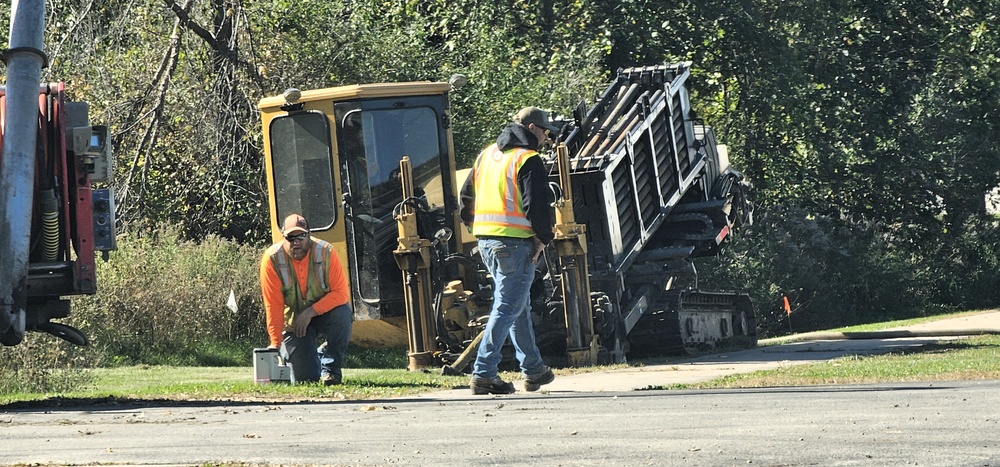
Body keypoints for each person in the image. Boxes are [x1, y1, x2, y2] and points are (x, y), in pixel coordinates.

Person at [459, 106, 558, 394]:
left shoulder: (487, 155)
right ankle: (483, 373)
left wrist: (476, 227)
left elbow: (467, 196)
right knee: (506, 307)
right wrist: (543, 238)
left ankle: (534, 369)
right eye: (544, 131)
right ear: (531, 129)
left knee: (517, 305)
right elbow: (537, 204)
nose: (546, 138)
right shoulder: (528, 159)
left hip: (487, 241)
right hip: (516, 244)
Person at [260, 214, 353, 385]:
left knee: (343, 314)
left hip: (324, 313)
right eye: (291, 237)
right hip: (295, 322)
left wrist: (310, 312)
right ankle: (312, 356)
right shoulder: (272, 259)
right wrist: (275, 343)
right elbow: (273, 304)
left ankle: (331, 371)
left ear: (309, 235)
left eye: (301, 236)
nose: (297, 242)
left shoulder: (326, 252)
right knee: (305, 379)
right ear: (283, 237)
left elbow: (341, 293)